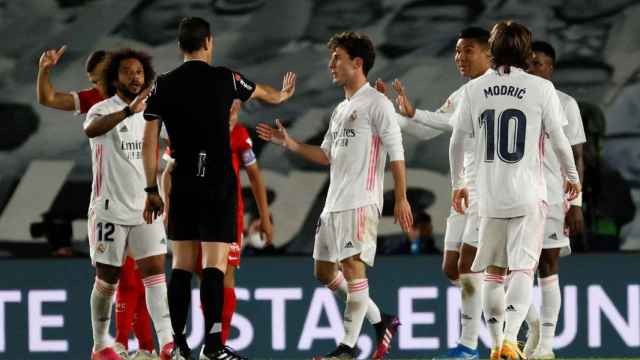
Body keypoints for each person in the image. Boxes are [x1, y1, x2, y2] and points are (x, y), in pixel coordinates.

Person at [141, 17, 295, 360]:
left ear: (181, 46)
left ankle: (177, 346)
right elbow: (265, 94)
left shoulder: (162, 85)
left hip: (181, 182)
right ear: (208, 42)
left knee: (180, 265)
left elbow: (149, 136)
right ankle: (212, 345)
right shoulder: (226, 78)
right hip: (217, 181)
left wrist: (152, 187)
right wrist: (282, 95)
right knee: (215, 265)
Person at [257, 31, 413, 360]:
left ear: (357, 63)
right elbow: (326, 155)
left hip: (360, 202)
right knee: (324, 272)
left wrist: (401, 197)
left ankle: (347, 348)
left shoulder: (377, 103)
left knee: (354, 270)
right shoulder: (341, 109)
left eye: (337, 58)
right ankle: (380, 320)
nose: (331, 64)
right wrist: (290, 144)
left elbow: (397, 153)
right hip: (333, 204)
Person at [449, 21, 580, 360]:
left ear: (492, 50)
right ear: (526, 50)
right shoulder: (540, 89)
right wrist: (572, 176)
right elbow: (561, 141)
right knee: (522, 270)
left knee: (493, 272)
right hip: (527, 194)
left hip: (488, 196)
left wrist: (458, 184)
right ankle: (509, 338)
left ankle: (495, 345)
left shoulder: (474, 90)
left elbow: (455, 141)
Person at [376, 27, 491, 359]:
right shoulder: (462, 93)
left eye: (468, 50)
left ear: (488, 53)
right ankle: (514, 314)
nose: (460, 57)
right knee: (452, 268)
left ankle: (470, 346)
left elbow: (444, 124)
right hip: (463, 192)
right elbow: (428, 129)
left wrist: (413, 114)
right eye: (456, 51)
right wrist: (393, 114)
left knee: (470, 269)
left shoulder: (494, 91)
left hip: (486, 191)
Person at [36, 47, 157, 360]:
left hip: (141, 197)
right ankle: (118, 344)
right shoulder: (96, 102)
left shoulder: (146, 98)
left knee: (142, 278)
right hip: (111, 201)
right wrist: (44, 70)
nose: (97, 85)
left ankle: (142, 347)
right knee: (125, 276)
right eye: (93, 80)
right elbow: (48, 99)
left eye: (100, 78)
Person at [84, 48, 174, 360]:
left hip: (145, 206)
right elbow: (90, 130)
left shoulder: (152, 113)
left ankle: (167, 343)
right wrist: (127, 111)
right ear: (114, 77)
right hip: (109, 209)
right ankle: (100, 346)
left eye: (138, 71)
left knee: (156, 273)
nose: (134, 76)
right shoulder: (101, 109)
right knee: (107, 280)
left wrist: (156, 189)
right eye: (126, 71)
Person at [161, 98, 273, 346]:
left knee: (223, 277)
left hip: (227, 213)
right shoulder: (189, 129)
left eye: (234, 105)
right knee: (193, 273)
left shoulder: (240, 135)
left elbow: (255, 176)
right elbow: (168, 172)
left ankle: (216, 345)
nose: (231, 110)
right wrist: (168, 206)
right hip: (191, 210)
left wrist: (264, 217)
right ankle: (184, 342)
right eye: (226, 105)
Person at [521, 40, 587, 359]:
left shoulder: (566, 104)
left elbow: (577, 156)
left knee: (548, 267)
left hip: (552, 197)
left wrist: (575, 203)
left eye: (539, 64)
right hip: (517, 197)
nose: (532, 68)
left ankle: (546, 345)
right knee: (509, 270)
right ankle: (531, 329)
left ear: (551, 68)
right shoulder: (516, 100)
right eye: (528, 63)